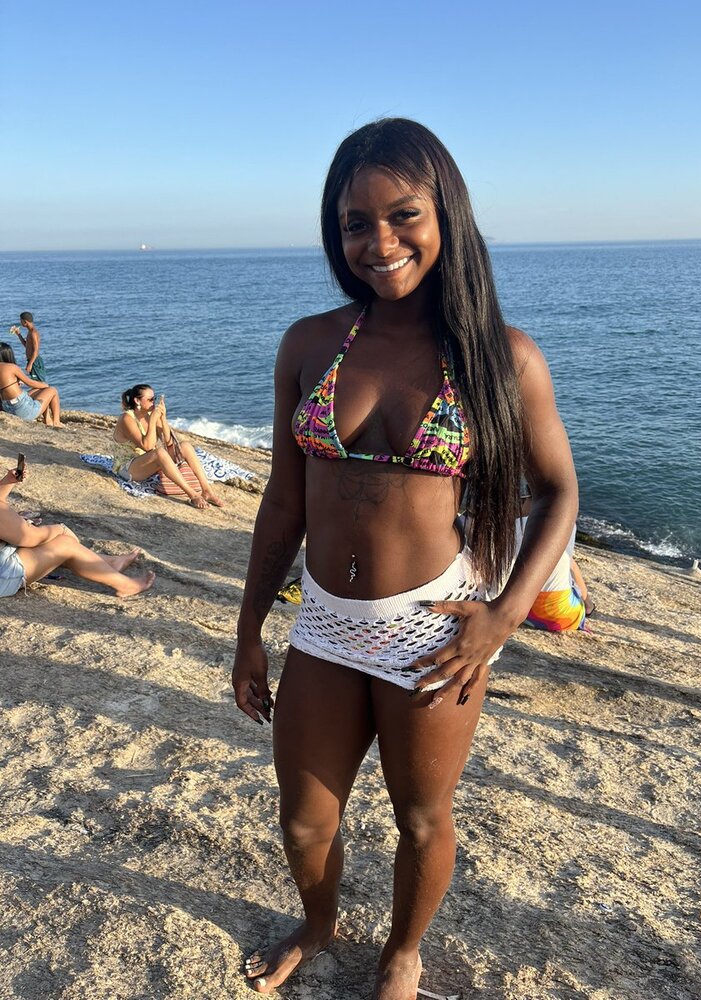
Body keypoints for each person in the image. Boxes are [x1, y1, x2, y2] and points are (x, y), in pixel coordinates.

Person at [232, 118, 579, 1000]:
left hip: (431, 630)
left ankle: (403, 954)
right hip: (323, 623)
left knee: (422, 819)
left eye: (403, 216)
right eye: (356, 223)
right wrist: (247, 632)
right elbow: (282, 502)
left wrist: (502, 617)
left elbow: (557, 493)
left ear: (445, 215)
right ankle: (318, 925)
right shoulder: (310, 343)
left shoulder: (502, 357)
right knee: (304, 823)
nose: (379, 243)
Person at [0, 461, 155, 598]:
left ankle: (107, 563)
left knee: (52, 540)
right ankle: (125, 585)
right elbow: (30, 537)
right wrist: (60, 529)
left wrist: (7, 482)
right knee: (64, 544)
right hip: (4, 575)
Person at [113, 384, 224, 509]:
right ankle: (193, 495)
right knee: (159, 452)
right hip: (127, 468)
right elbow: (148, 446)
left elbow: (169, 443)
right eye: (150, 399)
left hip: (147, 463)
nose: (153, 402)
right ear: (137, 401)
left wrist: (163, 418)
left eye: (154, 399)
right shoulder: (127, 418)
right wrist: (153, 420)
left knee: (185, 446)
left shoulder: (150, 415)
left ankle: (207, 491)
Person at [518, 495, 594, 631]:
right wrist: (587, 604)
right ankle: (589, 606)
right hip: (561, 618)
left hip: (520, 612)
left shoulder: (514, 525)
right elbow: (569, 564)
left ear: (529, 498)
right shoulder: (564, 524)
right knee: (569, 563)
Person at [0, 342, 62, 426]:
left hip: (7, 408)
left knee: (38, 390)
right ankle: (56, 422)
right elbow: (31, 383)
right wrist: (45, 385)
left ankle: (47, 420)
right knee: (52, 390)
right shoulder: (11, 367)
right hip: (23, 410)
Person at [11, 311, 47, 383]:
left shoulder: (33, 333)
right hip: (31, 360)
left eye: (21, 321)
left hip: (34, 361)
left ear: (25, 322)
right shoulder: (30, 332)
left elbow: (36, 350)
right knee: (34, 382)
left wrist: (30, 364)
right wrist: (19, 335)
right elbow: (26, 345)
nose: (20, 323)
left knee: (38, 382)